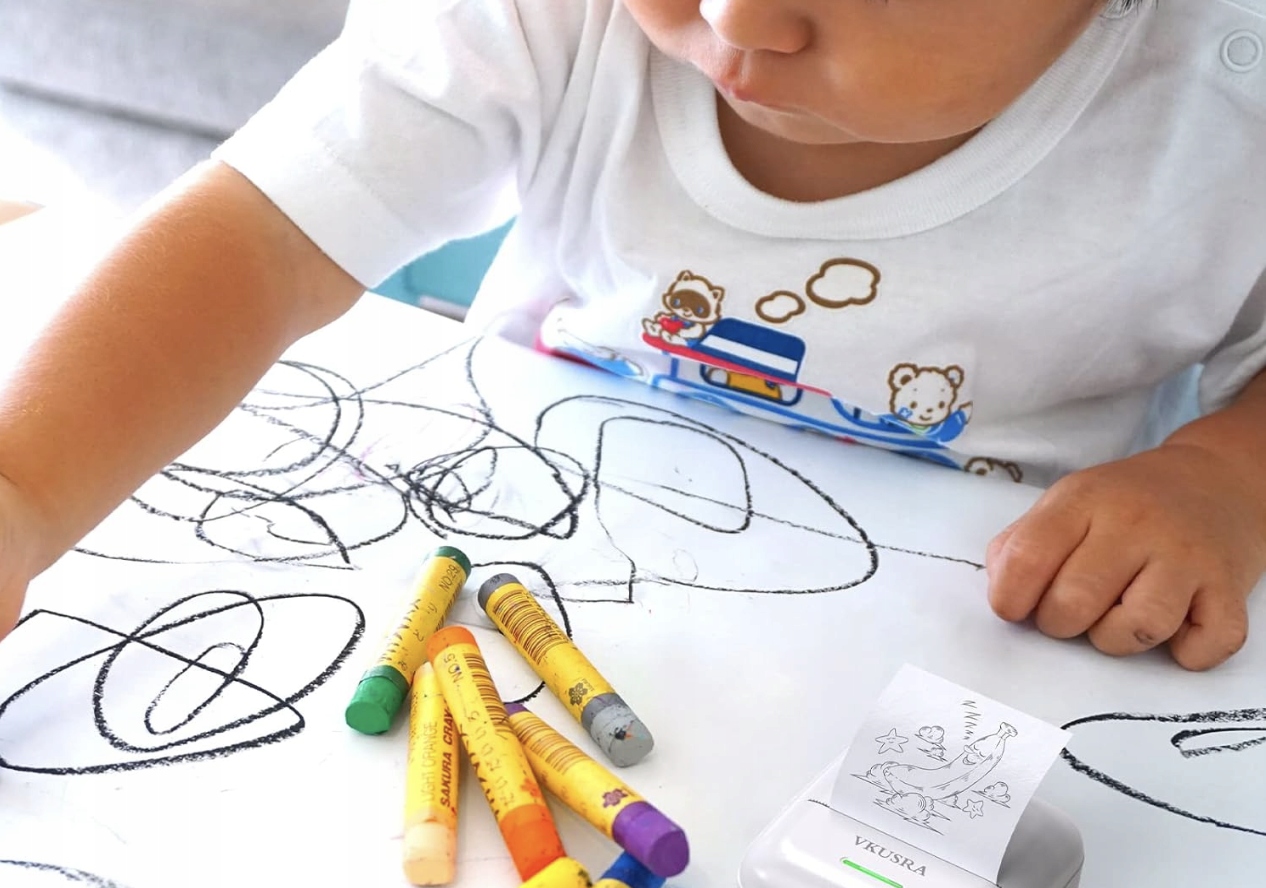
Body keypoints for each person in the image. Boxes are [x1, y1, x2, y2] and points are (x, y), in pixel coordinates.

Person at [0, 0, 1263, 670]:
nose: (739, 17)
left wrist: (1223, 474)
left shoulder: (1226, 109)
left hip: (970, 672)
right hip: (518, 603)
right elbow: (262, 237)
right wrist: (23, 495)